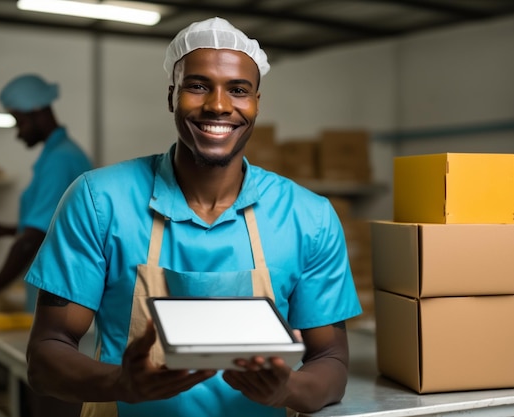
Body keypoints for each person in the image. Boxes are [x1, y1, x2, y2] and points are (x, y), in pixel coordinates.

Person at [24, 16, 362, 417]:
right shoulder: (99, 201)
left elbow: (332, 363)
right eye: (198, 85)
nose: (219, 105)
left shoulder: (309, 217)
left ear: (256, 103)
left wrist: (287, 388)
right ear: (172, 96)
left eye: (238, 90)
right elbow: (46, 353)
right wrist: (119, 383)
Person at [0, 74, 93, 312]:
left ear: (37, 112)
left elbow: (33, 239)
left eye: (19, 122)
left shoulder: (60, 159)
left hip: (62, 296)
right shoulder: (57, 156)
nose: (18, 133)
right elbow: (53, 227)